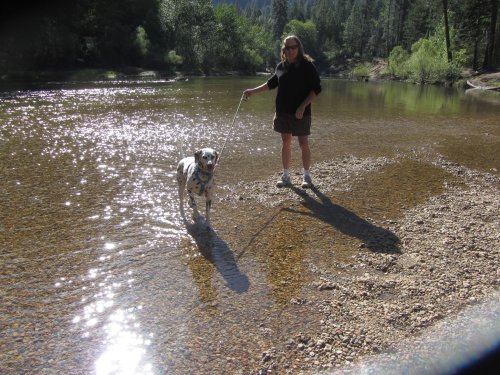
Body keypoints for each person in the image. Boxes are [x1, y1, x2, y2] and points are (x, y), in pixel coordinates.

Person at [243, 35, 321, 188]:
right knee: (286, 142)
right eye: (287, 48)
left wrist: (303, 105)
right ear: (283, 50)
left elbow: (316, 89)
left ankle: (307, 176)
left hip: (301, 112)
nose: (290, 50)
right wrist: (252, 91)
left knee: (303, 143)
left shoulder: (307, 66)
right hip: (283, 112)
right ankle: (286, 176)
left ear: (299, 48)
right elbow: (270, 84)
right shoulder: (281, 66)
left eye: (293, 47)